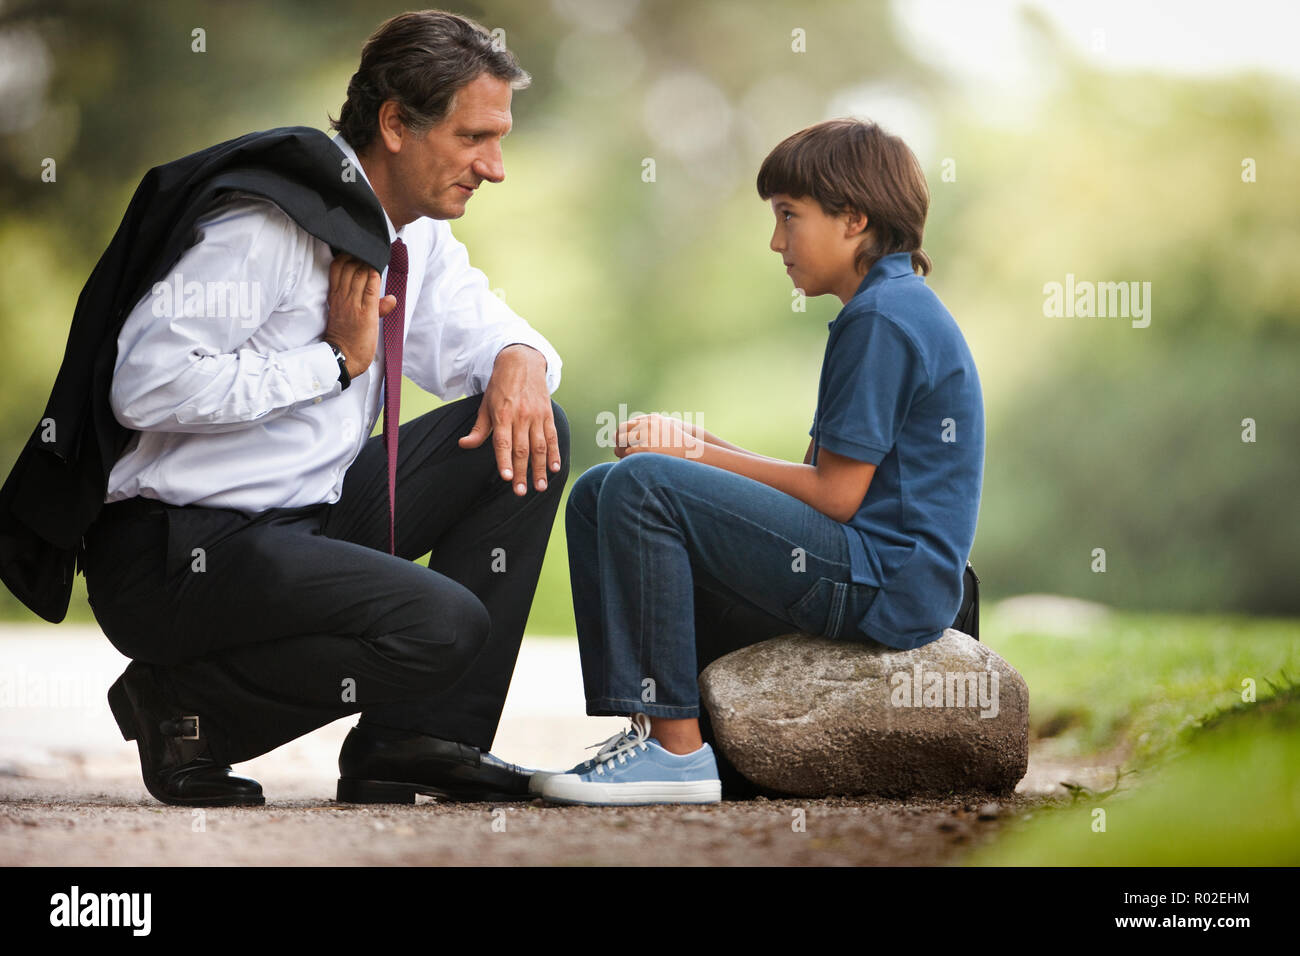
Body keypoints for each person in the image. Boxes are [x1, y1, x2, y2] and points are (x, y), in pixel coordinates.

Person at [81, 10, 568, 807]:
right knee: (441, 623)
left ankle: (415, 740)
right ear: (396, 125)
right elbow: (143, 382)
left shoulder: (411, 237)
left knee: (529, 431)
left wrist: (520, 359)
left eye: (500, 138)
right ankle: (186, 712)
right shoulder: (267, 230)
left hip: (299, 522)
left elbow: (477, 331)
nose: (496, 166)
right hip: (176, 551)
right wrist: (331, 362)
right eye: (475, 138)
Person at [538, 118, 985, 806]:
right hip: (863, 563)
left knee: (642, 485)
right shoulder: (883, 307)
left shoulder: (884, 321)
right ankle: (649, 730)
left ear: (853, 219)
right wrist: (697, 447)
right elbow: (825, 483)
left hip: (886, 583)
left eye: (788, 216)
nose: (777, 242)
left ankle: (677, 755)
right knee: (602, 490)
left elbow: (833, 497)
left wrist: (682, 455)